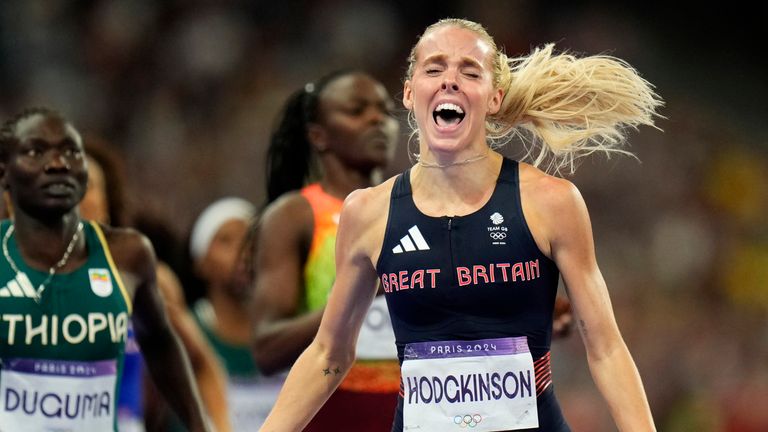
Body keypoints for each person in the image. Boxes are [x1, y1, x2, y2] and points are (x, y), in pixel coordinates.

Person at [259, 18, 662, 432]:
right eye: (434, 69)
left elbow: (606, 349)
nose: (450, 80)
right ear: (409, 92)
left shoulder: (551, 202)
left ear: (493, 98)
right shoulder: (369, 213)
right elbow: (329, 353)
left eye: (470, 72)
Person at [0, 107, 211, 431]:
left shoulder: (127, 255)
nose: (58, 164)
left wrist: (200, 425)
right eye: (36, 151)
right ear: (5, 172)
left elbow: (159, 342)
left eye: (71, 151)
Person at [251, 70, 402, 431]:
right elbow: (267, 349)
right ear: (318, 135)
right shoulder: (296, 216)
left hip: (413, 415)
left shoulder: (415, 210)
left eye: (385, 111)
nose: (376, 119)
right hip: (332, 417)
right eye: (357, 110)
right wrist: (358, 293)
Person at [78, 137, 232, 432]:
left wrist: (217, 427)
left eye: (87, 185)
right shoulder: (14, 275)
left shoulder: (146, 278)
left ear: (107, 204)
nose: (74, 196)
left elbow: (203, 365)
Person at [188, 197, 282, 429]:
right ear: (200, 263)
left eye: (250, 239)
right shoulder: (187, 331)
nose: (243, 251)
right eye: (226, 240)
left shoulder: (288, 329)